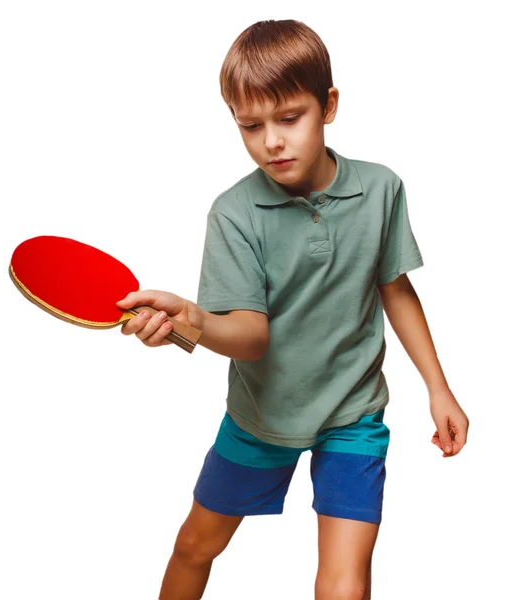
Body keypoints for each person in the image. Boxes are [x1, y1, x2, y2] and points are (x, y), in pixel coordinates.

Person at [116, 19, 469, 600]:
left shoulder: (382, 189)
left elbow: (395, 288)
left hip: (353, 414)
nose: (271, 142)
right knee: (194, 547)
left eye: (288, 118)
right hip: (261, 418)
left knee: (345, 582)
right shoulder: (234, 213)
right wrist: (192, 324)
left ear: (327, 106)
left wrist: (439, 387)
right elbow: (250, 336)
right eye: (250, 126)